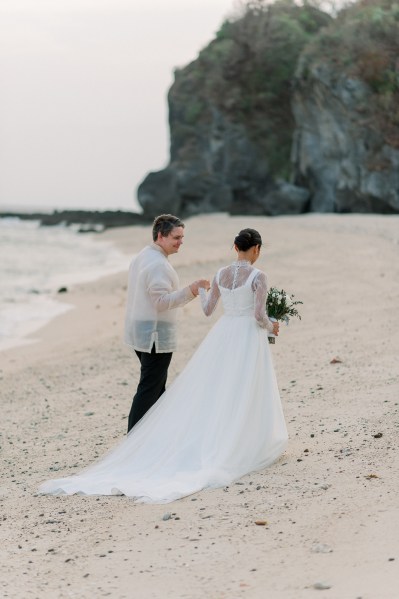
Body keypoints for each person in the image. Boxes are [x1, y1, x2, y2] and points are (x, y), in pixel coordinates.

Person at [39, 228, 288, 503]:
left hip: (223, 332)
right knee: (247, 384)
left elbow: (207, 310)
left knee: (219, 386)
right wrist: (272, 325)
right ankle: (248, 439)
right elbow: (257, 314)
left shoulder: (220, 274)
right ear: (256, 250)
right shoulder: (258, 276)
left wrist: (201, 291)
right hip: (246, 335)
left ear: (234, 247)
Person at [124, 214, 210, 432]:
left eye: (182, 237)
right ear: (160, 236)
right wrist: (191, 290)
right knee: (149, 389)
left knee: (157, 389)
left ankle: (159, 437)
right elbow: (161, 302)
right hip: (155, 336)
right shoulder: (157, 264)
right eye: (176, 237)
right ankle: (133, 440)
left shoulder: (143, 256)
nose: (181, 241)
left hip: (140, 332)